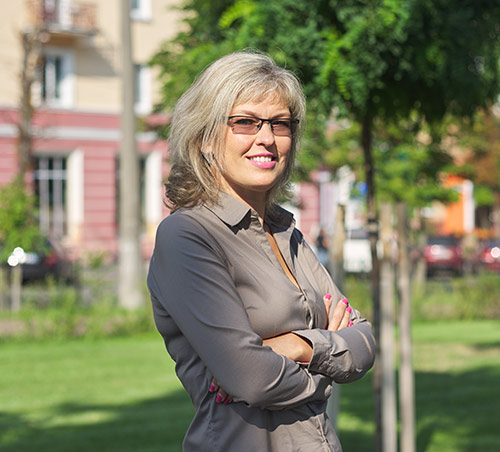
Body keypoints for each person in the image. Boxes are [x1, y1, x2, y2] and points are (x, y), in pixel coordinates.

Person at [147, 50, 375, 452]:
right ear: (204, 138)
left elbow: (366, 342)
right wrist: (328, 360)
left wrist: (299, 346)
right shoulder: (187, 235)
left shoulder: (287, 231)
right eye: (245, 122)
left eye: (280, 124)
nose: (266, 138)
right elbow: (251, 379)